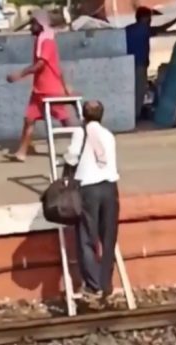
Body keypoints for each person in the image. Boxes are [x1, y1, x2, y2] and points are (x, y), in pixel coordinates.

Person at [63, 101, 119, 298]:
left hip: (89, 189)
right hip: (110, 187)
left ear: (83, 116)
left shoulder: (81, 132)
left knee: (87, 237)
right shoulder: (109, 135)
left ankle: (93, 285)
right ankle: (106, 284)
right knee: (108, 237)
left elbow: (72, 157)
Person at [6, 10, 72, 162]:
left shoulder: (47, 40)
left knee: (65, 120)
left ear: (41, 25)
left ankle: (82, 144)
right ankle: (21, 152)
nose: (30, 27)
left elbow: (40, 65)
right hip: (39, 89)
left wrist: (19, 74)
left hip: (50, 89)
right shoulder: (41, 39)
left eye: (33, 24)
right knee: (29, 120)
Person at [125, 6, 176, 120]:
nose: (151, 20)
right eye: (149, 17)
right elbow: (162, 29)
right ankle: (136, 115)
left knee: (130, 91)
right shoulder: (144, 29)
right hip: (139, 65)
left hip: (127, 65)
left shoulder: (128, 29)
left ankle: (131, 113)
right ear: (145, 18)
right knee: (139, 91)